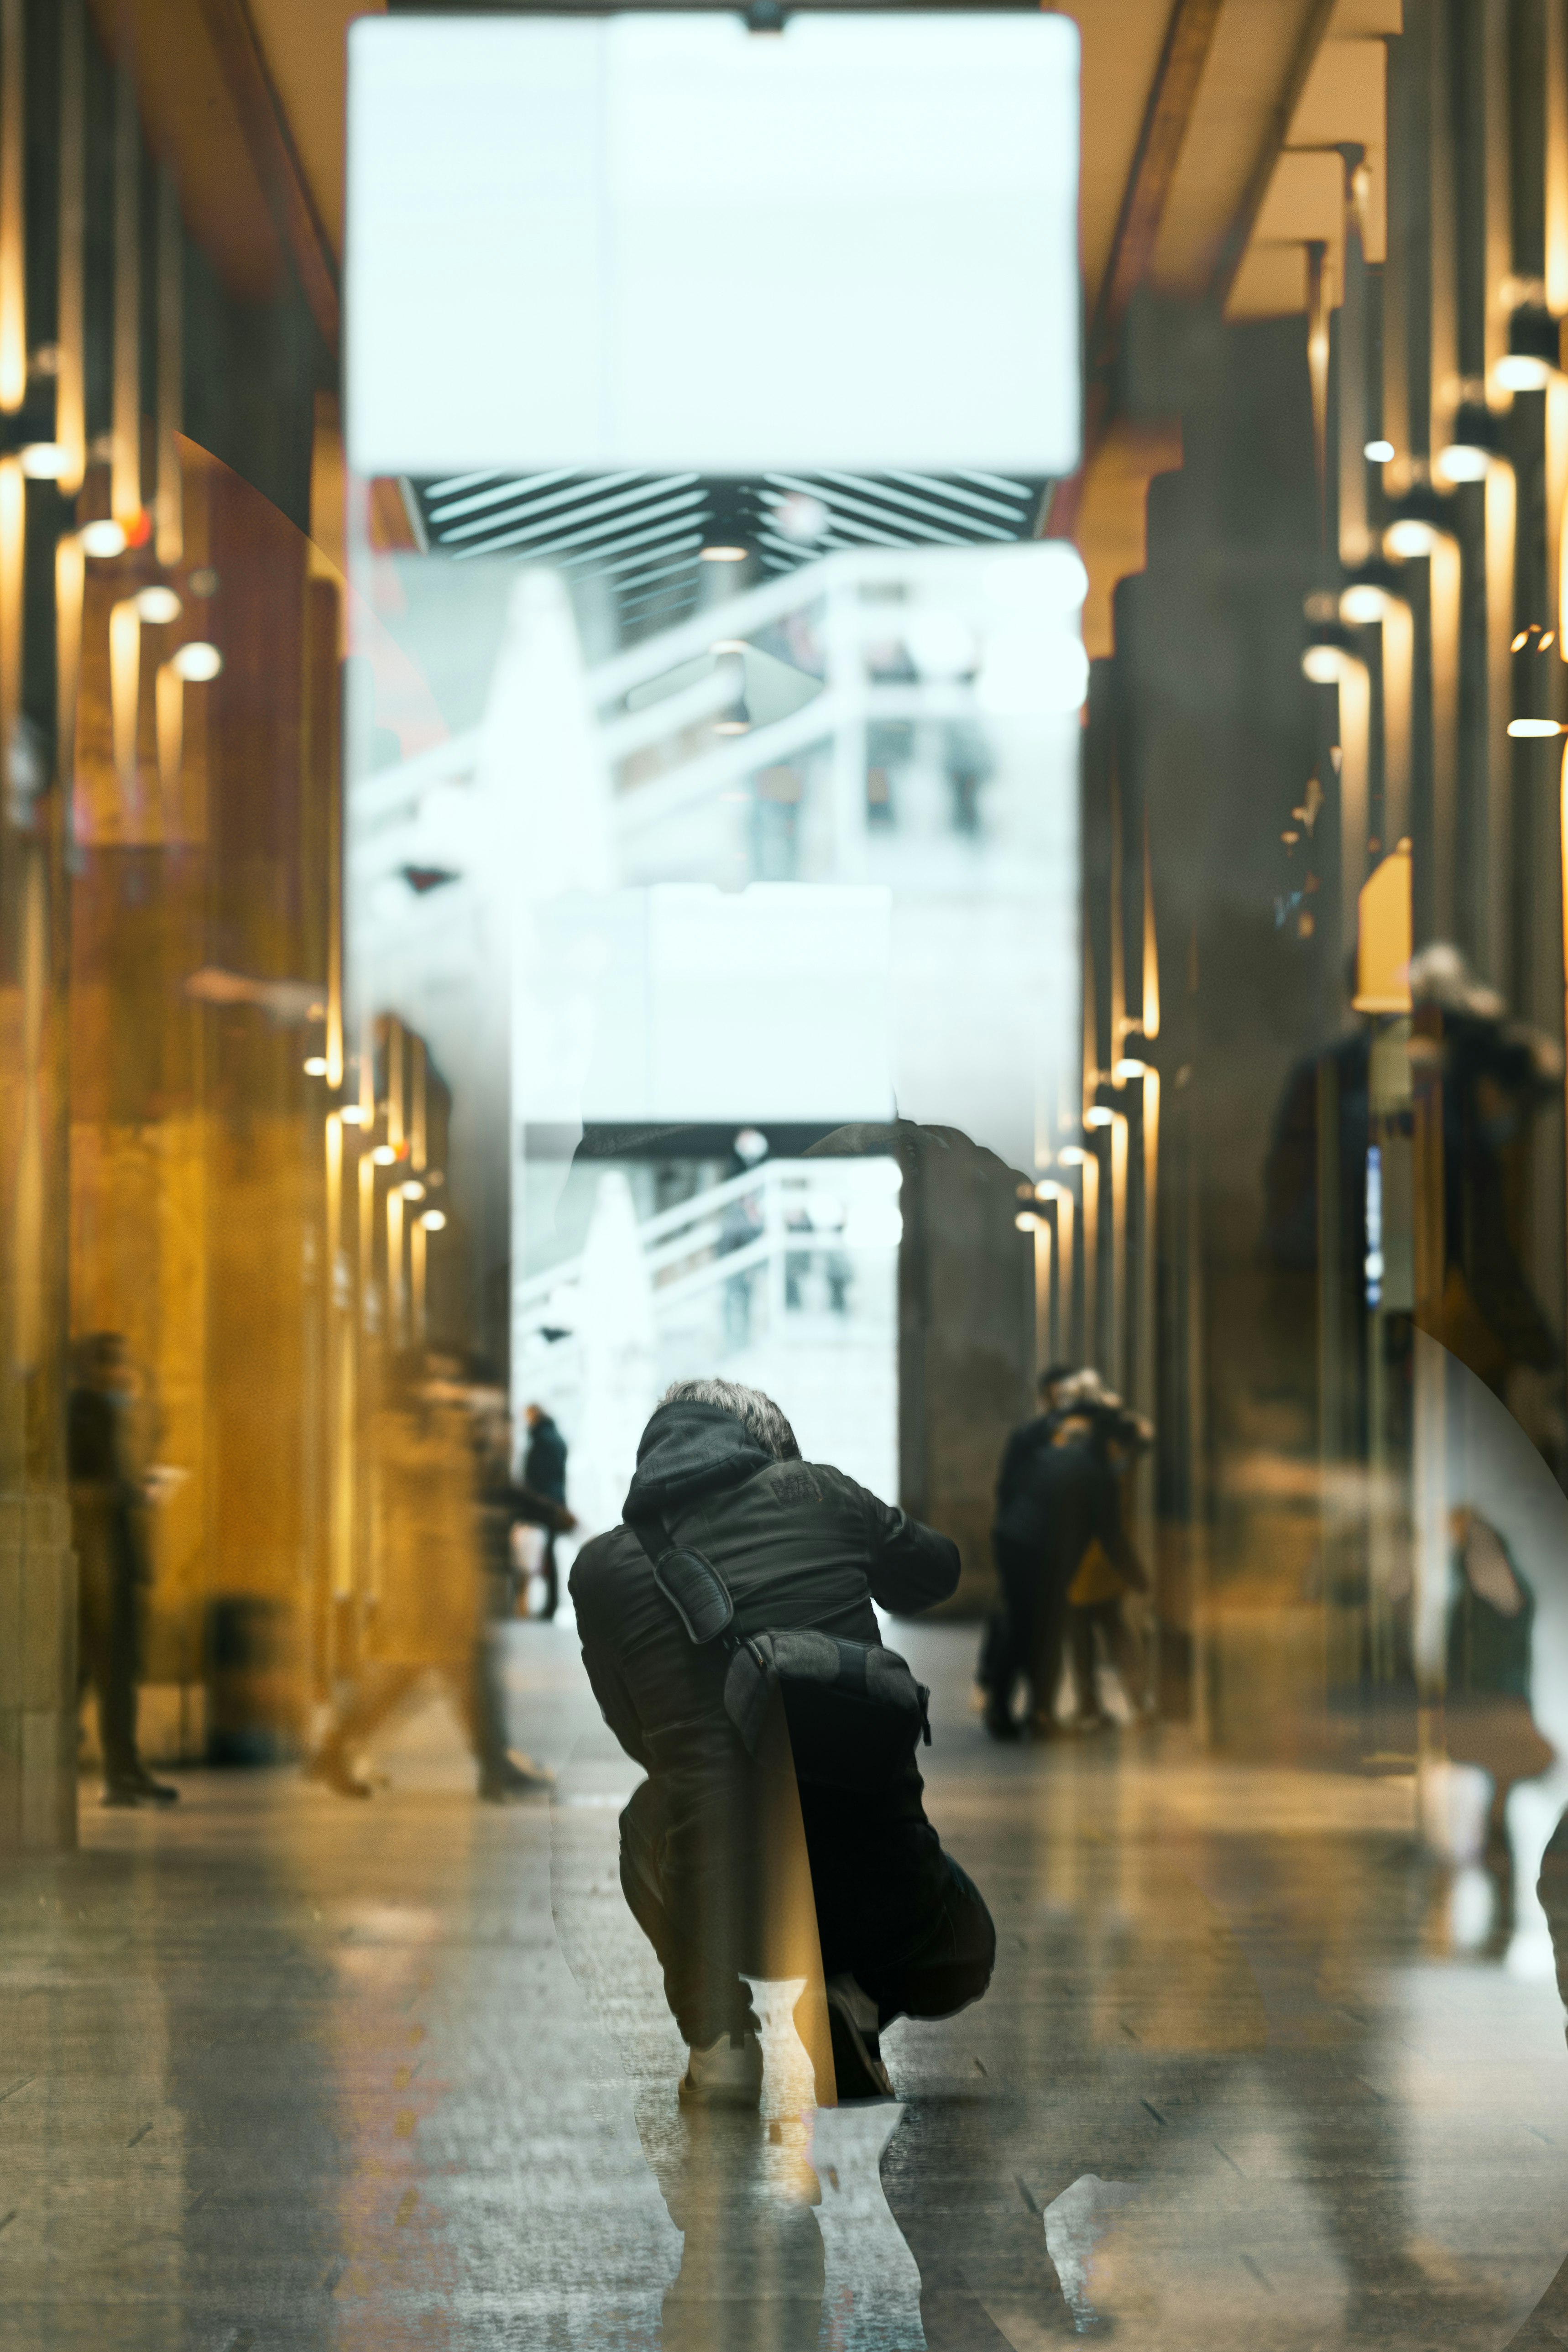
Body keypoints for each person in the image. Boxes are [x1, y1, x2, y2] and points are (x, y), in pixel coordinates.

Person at [570, 1376, 995, 2107]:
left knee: (649, 1814)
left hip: (727, 1907)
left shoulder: (602, 1569)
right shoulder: (823, 1494)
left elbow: (638, 1735)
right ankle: (855, 1997)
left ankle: (720, 2046)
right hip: (892, 1897)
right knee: (966, 1941)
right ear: (769, 1447)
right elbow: (937, 1573)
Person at [309, 1359, 574, 1803]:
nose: (448, 1386)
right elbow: (427, 1464)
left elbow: (487, 1486)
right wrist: (453, 1423)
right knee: (407, 1674)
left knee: (468, 1673)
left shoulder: (443, 1426)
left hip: (449, 1571)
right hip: (420, 1577)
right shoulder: (393, 1427)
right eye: (437, 1377)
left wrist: (546, 1511)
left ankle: (495, 1768)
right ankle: (337, 1747)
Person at [68, 1333, 178, 1807]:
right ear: (95, 1369)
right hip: (98, 1565)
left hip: (115, 1559)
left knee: (109, 1672)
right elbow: (93, 1484)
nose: (124, 1376)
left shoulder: (106, 1413)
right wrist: (135, 1492)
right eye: (116, 1366)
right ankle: (120, 1770)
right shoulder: (82, 1416)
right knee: (103, 1671)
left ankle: (123, 1769)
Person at [980, 1364, 1095, 1740]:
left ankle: (1038, 1709)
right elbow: (1009, 1490)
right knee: (1025, 1626)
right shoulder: (1035, 1437)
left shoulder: (1065, 1438)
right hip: (1027, 1545)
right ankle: (1007, 1705)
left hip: (1037, 1544)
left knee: (1045, 1628)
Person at [1060, 1408, 1152, 1728]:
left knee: (1085, 1643)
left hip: (1086, 1570)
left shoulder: (1089, 1464)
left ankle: (1091, 1707)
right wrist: (1138, 1578)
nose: (1126, 1455)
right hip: (1093, 1567)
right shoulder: (1103, 1473)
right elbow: (1110, 1534)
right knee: (1113, 1637)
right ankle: (1138, 1704)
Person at [521, 1402, 569, 1619]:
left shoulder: (541, 1440)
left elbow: (537, 1476)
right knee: (547, 1553)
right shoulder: (556, 1439)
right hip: (555, 1502)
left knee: (541, 1553)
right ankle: (551, 1604)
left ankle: (549, 1606)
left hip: (543, 1505)